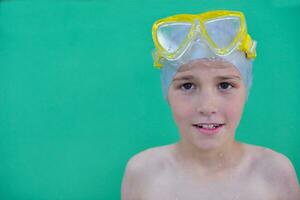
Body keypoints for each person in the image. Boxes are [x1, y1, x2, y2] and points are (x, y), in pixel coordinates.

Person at [121, 10, 300, 200]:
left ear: (246, 91)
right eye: (187, 86)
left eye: (225, 85)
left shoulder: (275, 174)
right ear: (167, 93)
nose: (207, 106)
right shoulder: (142, 174)